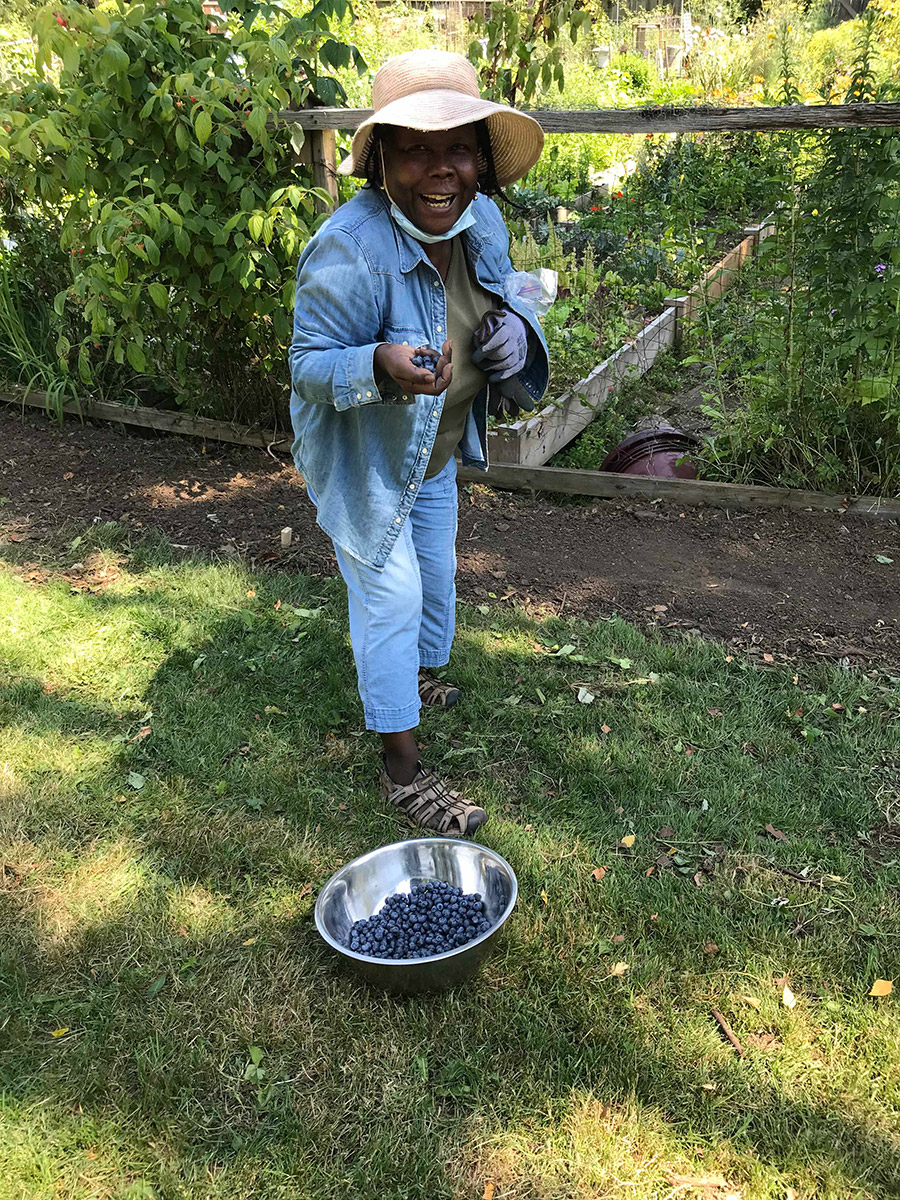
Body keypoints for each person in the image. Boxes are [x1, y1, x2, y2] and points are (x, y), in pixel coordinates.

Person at [288, 49, 548, 837]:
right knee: (392, 595)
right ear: (383, 161)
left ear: (482, 161)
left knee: (434, 578)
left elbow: (510, 298)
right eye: (416, 150)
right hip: (369, 460)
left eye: (458, 149)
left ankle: (413, 679)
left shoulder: (484, 223)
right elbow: (306, 365)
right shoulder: (351, 248)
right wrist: (378, 363)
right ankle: (403, 770)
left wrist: (517, 332)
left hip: (430, 450)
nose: (441, 171)